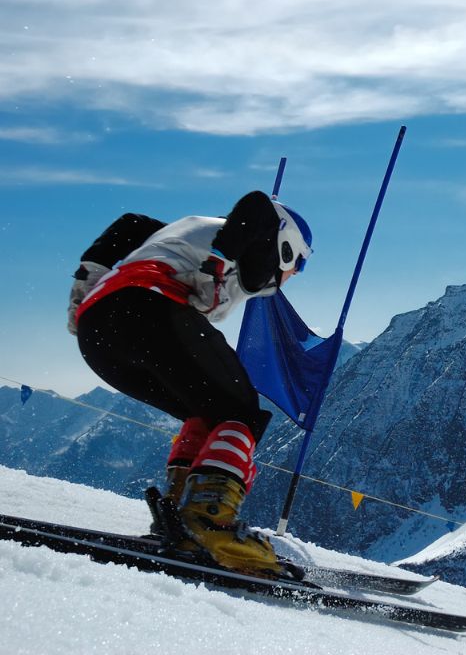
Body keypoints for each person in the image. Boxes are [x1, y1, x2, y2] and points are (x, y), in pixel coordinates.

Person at [68, 190, 312, 577]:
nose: (295, 274)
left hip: (97, 331)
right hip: (150, 308)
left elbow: (131, 223)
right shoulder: (241, 234)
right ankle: (209, 522)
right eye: (298, 261)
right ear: (285, 244)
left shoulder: (180, 234)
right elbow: (259, 206)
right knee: (241, 414)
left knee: (208, 413)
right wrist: (217, 262)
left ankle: (180, 520)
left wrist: (88, 278)